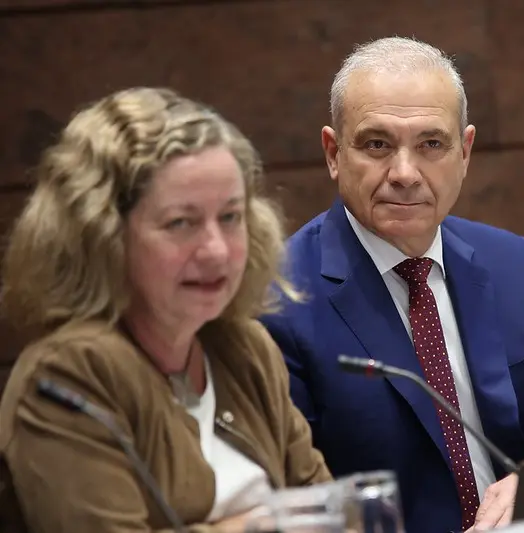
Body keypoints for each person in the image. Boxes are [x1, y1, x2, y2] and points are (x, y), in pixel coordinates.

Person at [259, 37, 524, 533]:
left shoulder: (511, 264)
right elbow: (281, 505)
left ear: (465, 152)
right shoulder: (279, 295)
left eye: (432, 144)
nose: (405, 173)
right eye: (376, 145)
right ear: (333, 153)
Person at [0, 87, 332, 532]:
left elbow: (330, 513)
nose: (216, 250)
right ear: (104, 237)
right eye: (181, 223)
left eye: (231, 217)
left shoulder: (245, 348)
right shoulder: (69, 375)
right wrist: (260, 525)